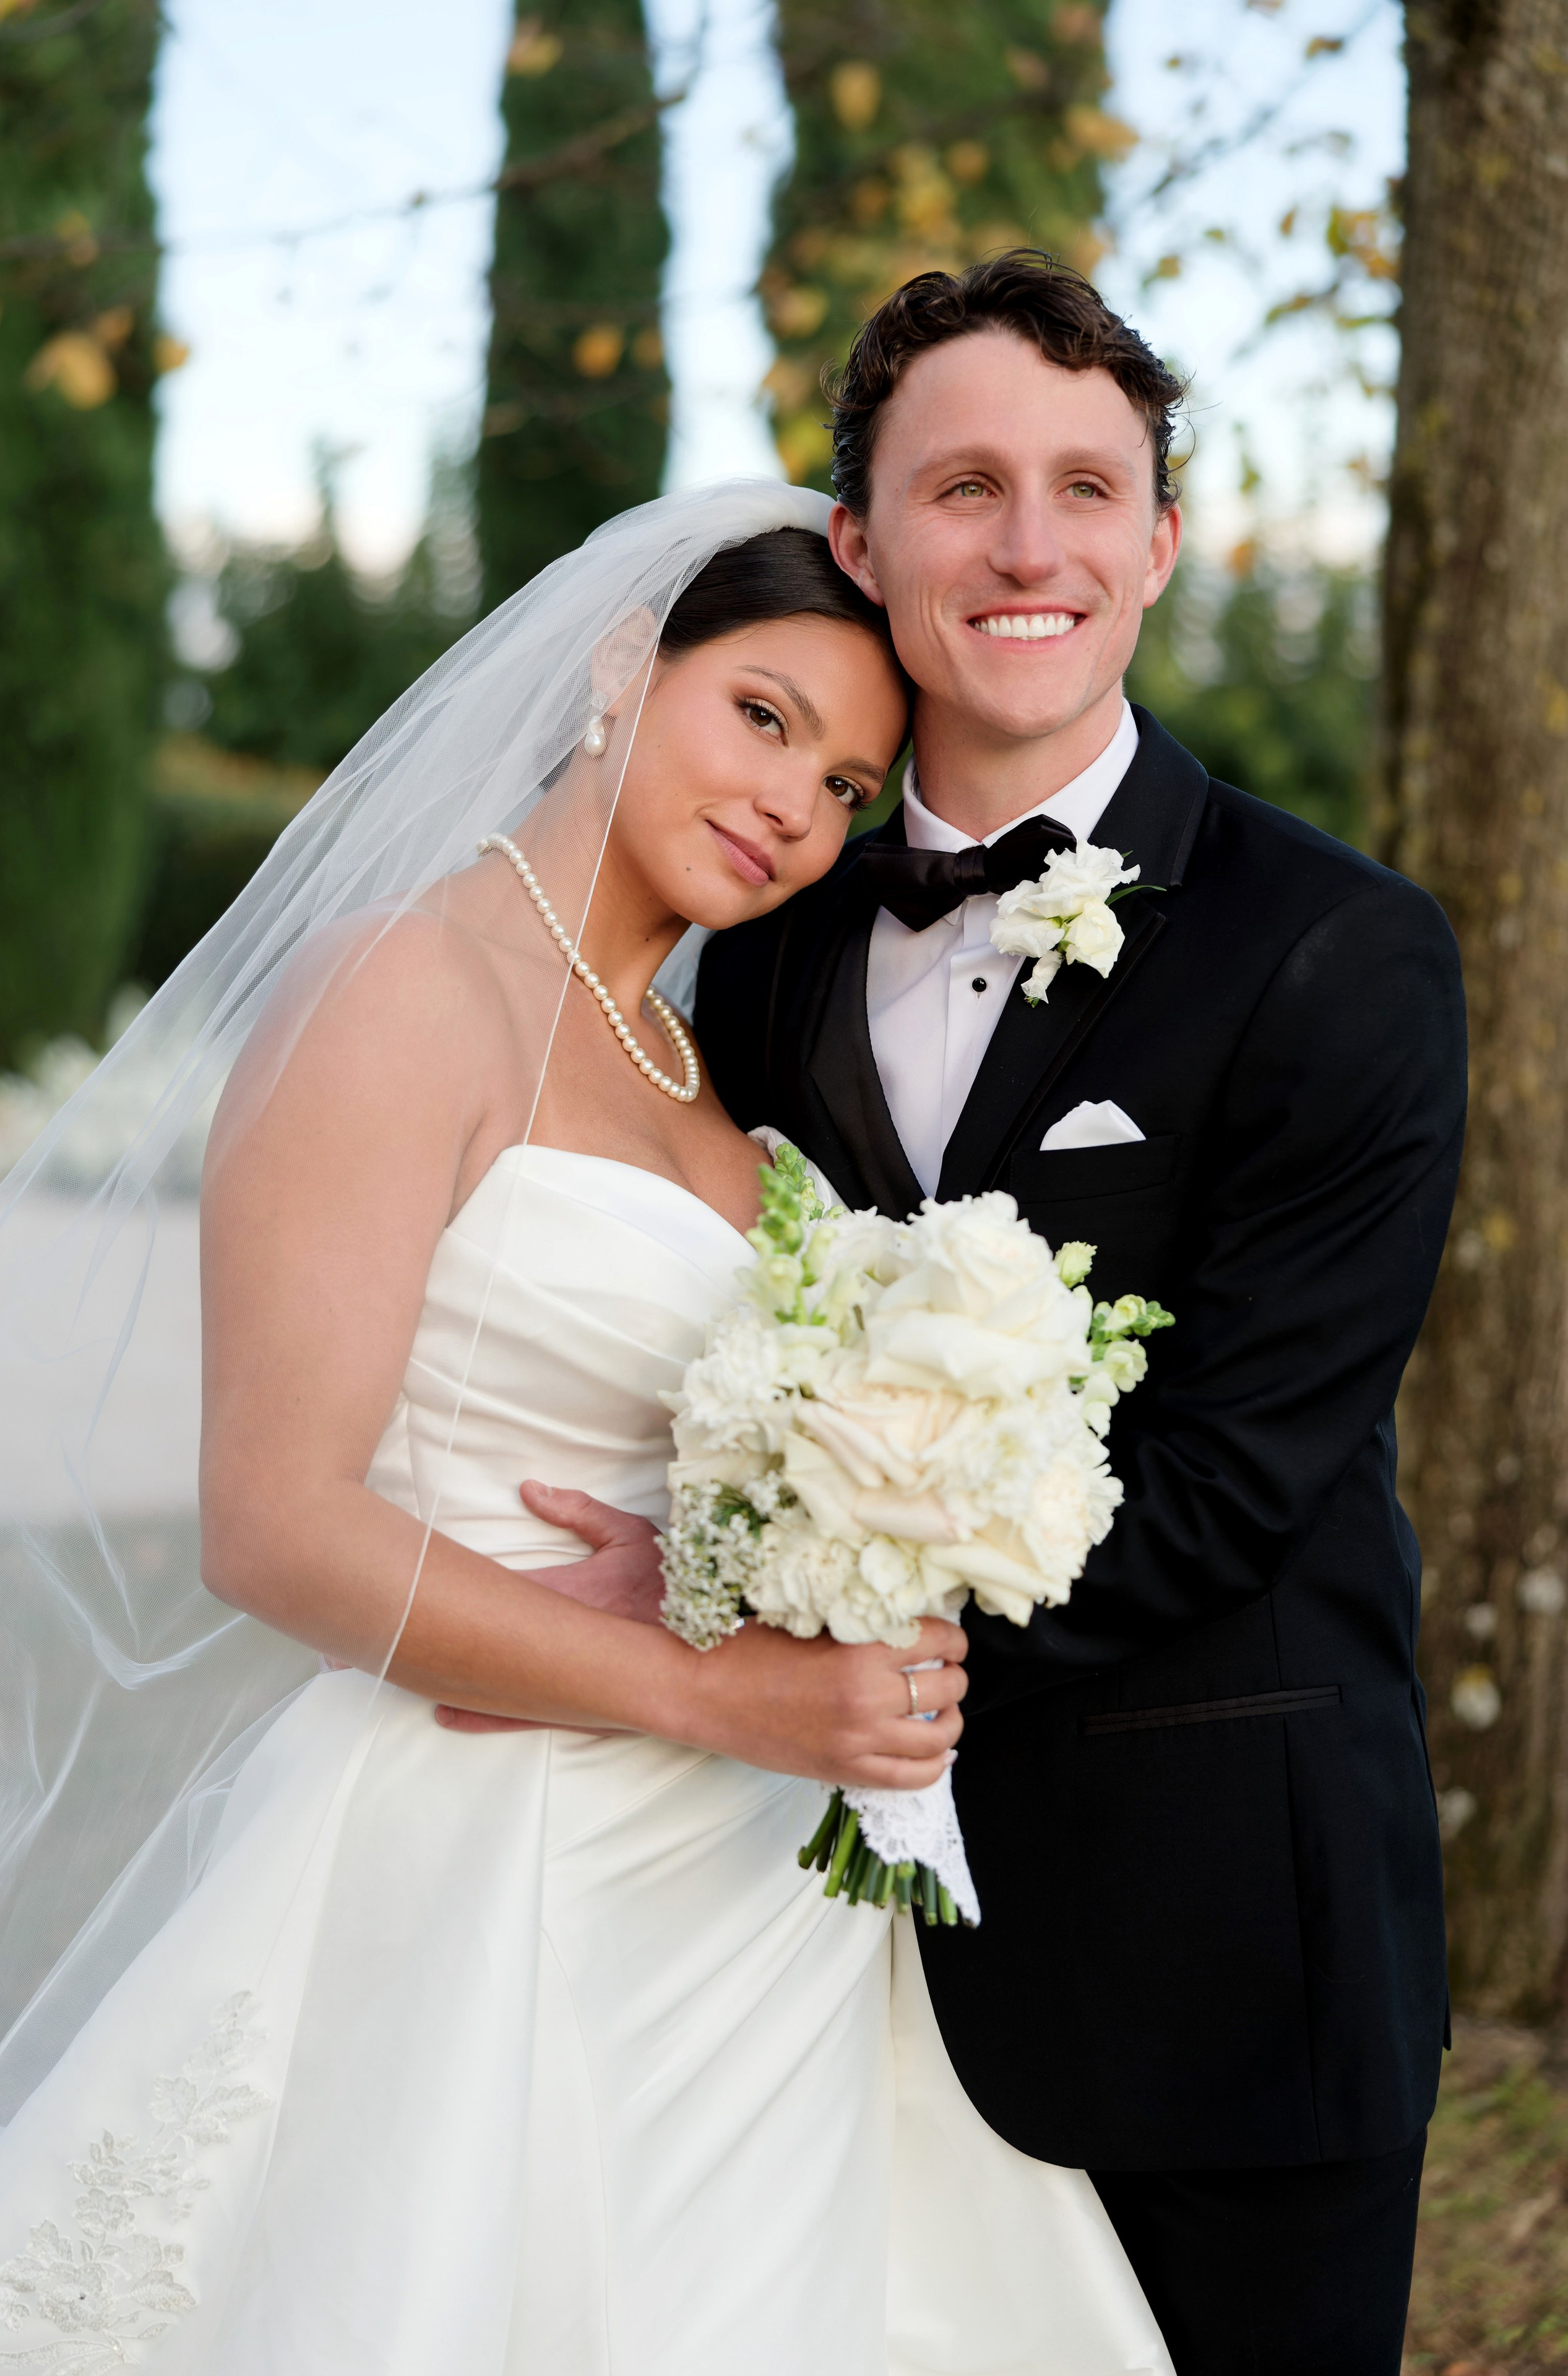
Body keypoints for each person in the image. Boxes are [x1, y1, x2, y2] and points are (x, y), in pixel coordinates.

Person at [0, 487, 1170, 2373]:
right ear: (627, 666)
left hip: (764, 1906)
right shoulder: (401, 986)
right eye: (764, 716)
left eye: (853, 787)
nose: (797, 806)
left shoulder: (710, 1070)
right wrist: (726, 1695)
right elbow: (274, 1521)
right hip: (496, 1851)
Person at [694, 254, 1467, 2375]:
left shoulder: (1346, 953)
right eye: (961, 487)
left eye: (1084, 488)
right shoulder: (756, 940)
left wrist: (809, 1647)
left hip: (1222, 1953)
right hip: (775, 1956)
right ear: (862, 542)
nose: (1026, 545)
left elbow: (1234, 1483)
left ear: (1160, 542)